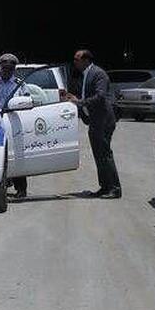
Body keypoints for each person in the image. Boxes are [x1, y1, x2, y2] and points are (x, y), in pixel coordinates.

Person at [68, 49, 121, 198]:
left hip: (103, 120)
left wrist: (79, 102)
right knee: (99, 155)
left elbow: (100, 96)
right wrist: (75, 99)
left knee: (105, 154)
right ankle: (105, 187)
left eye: (77, 59)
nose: (75, 62)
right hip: (95, 121)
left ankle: (114, 188)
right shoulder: (86, 74)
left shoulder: (98, 74)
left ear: (86, 60)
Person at [0, 53, 30, 199]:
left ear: (14, 69)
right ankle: (0, 185)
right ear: (0, 68)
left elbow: (28, 103)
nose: (6, 71)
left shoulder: (20, 85)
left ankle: (21, 189)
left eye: (9, 69)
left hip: (15, 123)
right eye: (4, 68)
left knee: (17, 156)